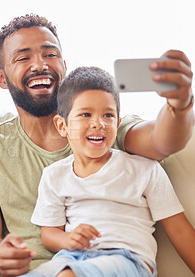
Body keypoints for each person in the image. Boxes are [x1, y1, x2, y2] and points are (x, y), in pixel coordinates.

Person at [0, 14, 194, 277]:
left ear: (64, 65)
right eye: (23, 58)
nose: (40, 65)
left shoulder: (106, 129)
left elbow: (162, 140)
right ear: (1, 78)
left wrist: (179, 106)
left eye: (50, 54)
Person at [19, 66, 195, 277]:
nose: (98, 123)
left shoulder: (144, 168)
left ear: (118, 122)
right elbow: (49, 233)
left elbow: (179, 229)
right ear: (62, 125)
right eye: (85, 114)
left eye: (108, 115)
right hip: (71, 258)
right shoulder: (54, 175)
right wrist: (68, 239)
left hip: (129, 259)